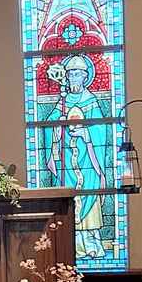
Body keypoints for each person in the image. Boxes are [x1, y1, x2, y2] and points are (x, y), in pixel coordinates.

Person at [43, 55, 109, 259]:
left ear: (85, 77)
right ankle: (70, 245)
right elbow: (48, 126)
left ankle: (92, 244)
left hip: (88, 160)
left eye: (77, 74)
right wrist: (58, 125)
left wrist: (86, 133)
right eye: (70, 74)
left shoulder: (91, 101)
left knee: (88, 196)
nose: (73, 78)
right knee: (68, 199)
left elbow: (101, 130)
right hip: (67, 162)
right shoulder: (63, 101)